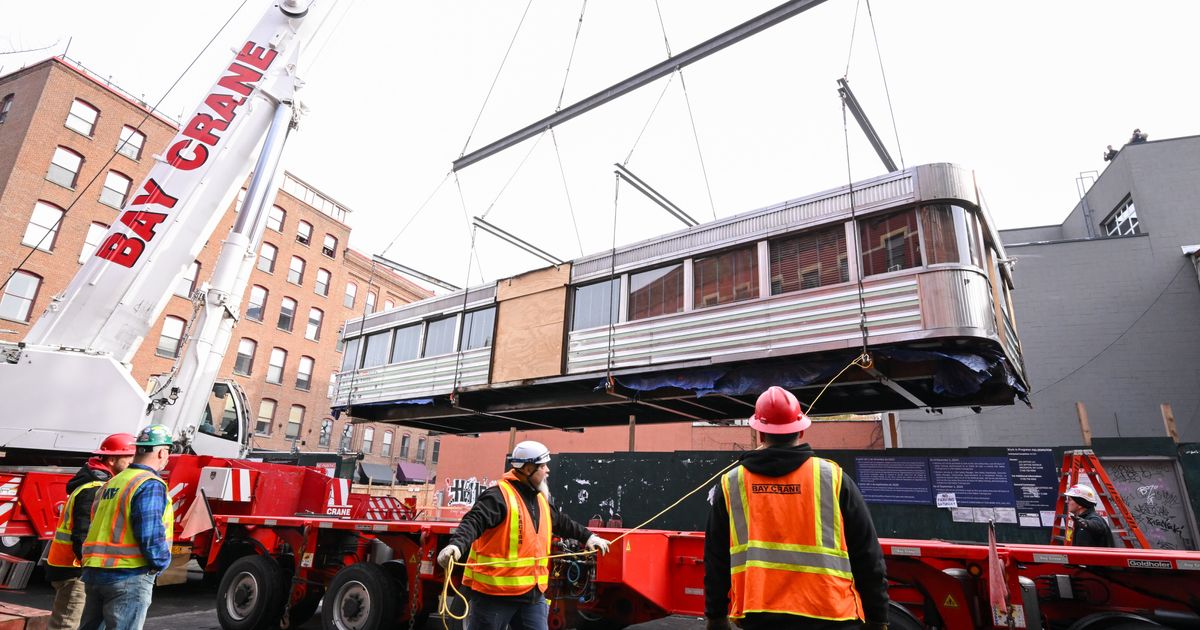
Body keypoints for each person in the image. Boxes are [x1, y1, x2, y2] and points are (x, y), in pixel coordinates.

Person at [705, 386, 890, 630]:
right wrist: (878, 618)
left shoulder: (732, 483)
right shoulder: (832, 478)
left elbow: (716, 558)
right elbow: (867, 554)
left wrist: (716, 616)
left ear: (760, 435)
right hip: (831, 614)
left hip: (760, 616)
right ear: (801, 430)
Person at [437, 440, 611, 630]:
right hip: (495, 596)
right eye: (543, 466)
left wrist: (589, 537)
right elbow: (473, 521)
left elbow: (562, 523)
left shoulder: (540, 499)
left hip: (532, 597)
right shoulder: (498, 496)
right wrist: (455, 546)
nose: (547, 471)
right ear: (528, 469)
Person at [78, 425, 175, 630]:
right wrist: (161, 563)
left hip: (96, 571)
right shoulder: (149, 483)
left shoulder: (111, 484)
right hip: (128, 574)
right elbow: (149, 533)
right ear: (162, 452)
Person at [44, 433, 137, 630]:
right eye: (129, 458)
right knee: (66, 624)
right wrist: (90, 567)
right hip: (74, 569)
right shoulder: (93, 488)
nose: (132, 462)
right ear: (111, 459)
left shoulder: (96, 484)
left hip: (73, 566)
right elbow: (83, 533)